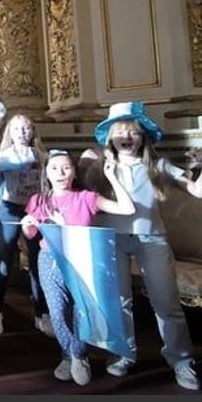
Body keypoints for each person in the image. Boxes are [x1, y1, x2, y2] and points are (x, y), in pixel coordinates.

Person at [80, 102, 202, 391]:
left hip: (152, 240)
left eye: (133, 131)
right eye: (121, 130)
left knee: (166, 303)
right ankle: (124, 353)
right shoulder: (99, 169)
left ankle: (181, 361)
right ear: (110, 137)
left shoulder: (158, 166)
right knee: (119, 302)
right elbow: (81, 201)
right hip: (112, 240)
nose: (127, 136)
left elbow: (196, 189)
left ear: (143, 137)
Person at [19, 150, 135, 386]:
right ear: (46, 173)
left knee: (80, 310)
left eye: (66, 167)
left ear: (74, 171)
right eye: (54, 168)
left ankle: (77, 356)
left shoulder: (86, 198)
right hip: (49, 259)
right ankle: (71, 354)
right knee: (58, 312)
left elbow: (127, 208)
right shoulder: (38, 200)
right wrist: (26, 224)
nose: (60, 173)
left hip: (82, 258)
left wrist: (111, 177)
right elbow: (30, 234)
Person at [0, 114, 52, 337]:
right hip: (11, 208)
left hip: (36, 210)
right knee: (4, 259)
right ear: (10, 133)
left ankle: (41, 312)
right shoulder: (4, 155)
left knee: (37, 261)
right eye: (17, 129)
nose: (23, 133)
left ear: (33, 131)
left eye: (26, 128)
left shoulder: (42, 155)